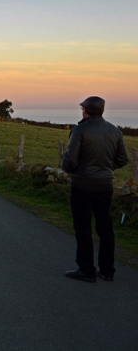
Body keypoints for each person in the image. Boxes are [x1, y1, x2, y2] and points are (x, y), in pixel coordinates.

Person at [62, 96, 129, 283]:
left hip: (82, 185)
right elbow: (123, 159)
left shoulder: (80, 130)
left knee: (83, 227)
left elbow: (70, 161)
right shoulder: (115, 131)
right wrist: (105, 169)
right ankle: (107, 270)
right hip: (105, 186)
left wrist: (75, 170)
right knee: (105, 228)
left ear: (86, 110)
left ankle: (86, 269)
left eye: (82, 107)